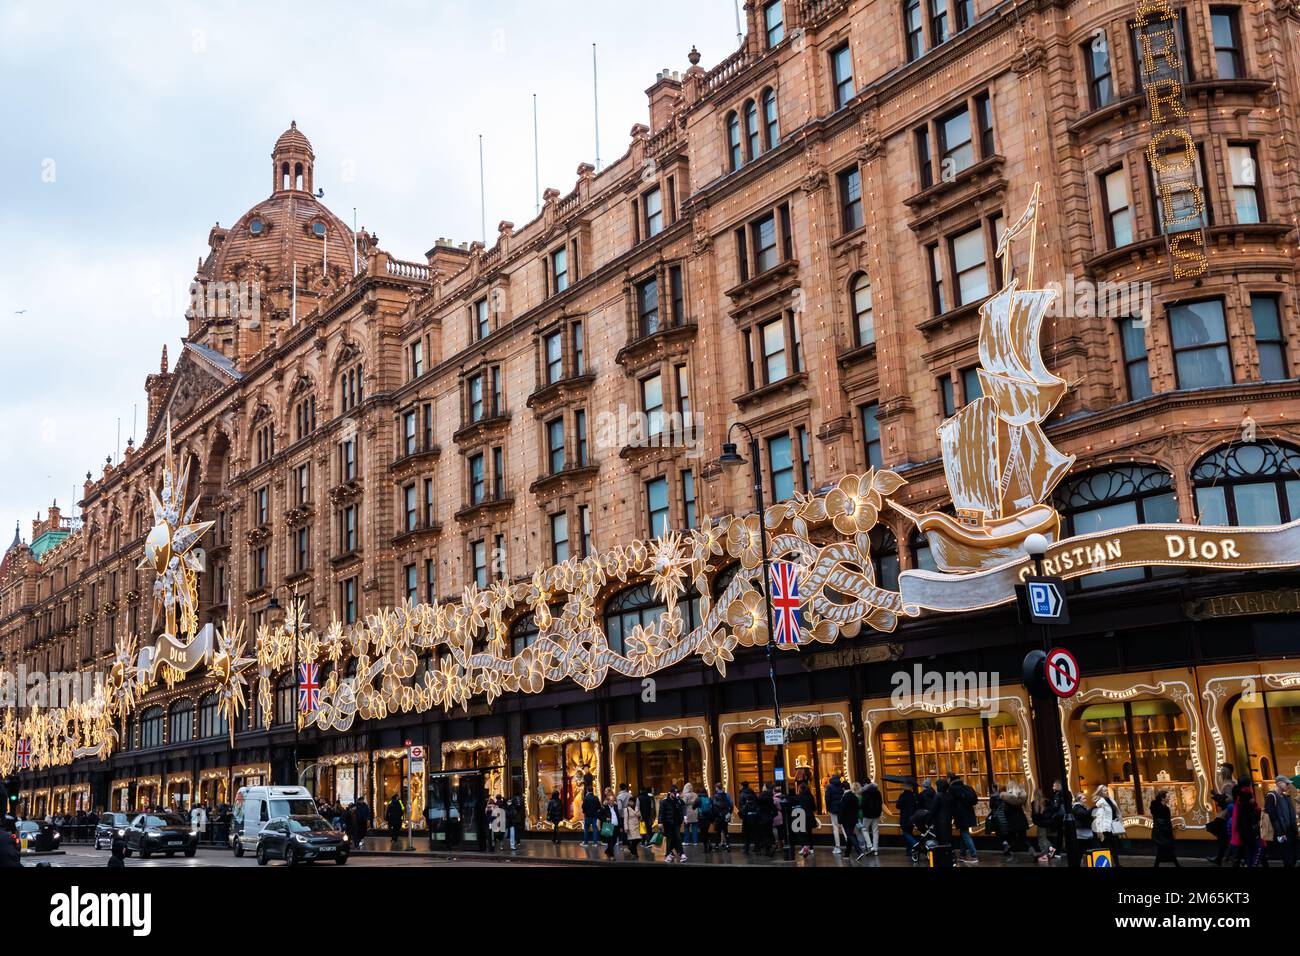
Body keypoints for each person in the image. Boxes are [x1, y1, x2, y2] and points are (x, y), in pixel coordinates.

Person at [1264, 776, 1296, 868]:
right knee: (1287, 857)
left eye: (1288, 783)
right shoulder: (1271, 796)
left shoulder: (1286, 797)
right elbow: (1272, 817)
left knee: (1293, 857)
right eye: (1286, 783)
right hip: (1281, 832)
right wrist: (1280, 833)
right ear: (1278, 783)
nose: (1288, 785)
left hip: (1291, 831)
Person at [1206, 763, 1235, 865]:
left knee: (1223, 836)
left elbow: (1230, 799)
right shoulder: (1230, 783)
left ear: (1225, 772)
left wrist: (1218, 797)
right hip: (1226, 813)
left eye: (1222, 771)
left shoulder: (1228, 784)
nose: (1220, 773)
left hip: (1225, 814)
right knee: (1225, 837)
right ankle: (1222, 857)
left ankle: (1224, 857)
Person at [948, 774, 979, 863]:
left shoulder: (952, 789)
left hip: (960, 815)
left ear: (950, 780)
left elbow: (950, 803)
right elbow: (975, 800)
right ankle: (962, 854)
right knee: (963, 834)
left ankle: (974, 855)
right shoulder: (967, 787)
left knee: (965, 834)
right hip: (969, 814)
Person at [1232, 782, 1263, 868]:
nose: (1253, 799)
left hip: (1246, 833)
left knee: (1249, 851)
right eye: (1251, 797)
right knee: (1254, 850)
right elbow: (1252, 819)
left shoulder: (1240, 806)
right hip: (1250, 833)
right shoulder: (1247, 807)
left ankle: (1249, 864)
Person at [1091, 784, 1123, 865]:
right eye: (1105, 790)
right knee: (1108, 847)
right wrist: (1099, 830)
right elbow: (1098, 816)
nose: (1107, 791)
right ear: (1101, 793)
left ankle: (1117, 864)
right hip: (1106, 828)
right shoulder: (1100, 802)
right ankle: (1108, 863)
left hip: (1113, 826)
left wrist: (1119, 820)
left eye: (1107, 790)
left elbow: (1116, 812)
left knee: (1115, 847)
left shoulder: (1111, 799)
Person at [1000, 782, 1031, 859]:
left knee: (1011, 839)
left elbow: (1006, 811)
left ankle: (1010, 855)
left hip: (1012, 822)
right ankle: (1033, 853)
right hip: (1022, 820)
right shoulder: (1020, 798)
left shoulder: (1006, 798)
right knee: (1024, 839)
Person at [1150, 790, 1178, 867]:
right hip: (1159, 833)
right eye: (1168, 797)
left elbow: (1168, 821)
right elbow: (1157, 816)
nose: (1169, 798)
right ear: (1163, 798)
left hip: (1165, 832)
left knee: (1164, 850)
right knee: (1164, 849)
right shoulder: (1155, 805)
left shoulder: (1166, 808)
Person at [659, 785, 686, 863]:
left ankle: (681, 854)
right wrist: (660, 822)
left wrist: (678, 799)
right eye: (674, 792)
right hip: (668, 823)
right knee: (670, 839)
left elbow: (683, 805)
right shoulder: (664, 801)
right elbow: (661, 812)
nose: (675, 794)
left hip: (676, 823)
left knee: (678, 838)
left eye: (676, 792)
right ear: (670, 793)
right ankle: (668, 854)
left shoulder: (677, 800)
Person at [838, 782, 863, 860]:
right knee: (849, 836)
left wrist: (840, 821)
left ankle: (859, 851)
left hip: (846, 820)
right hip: (853, 819)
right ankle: (847, 854)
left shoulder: (844, 797)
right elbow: (857, 807)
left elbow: (842, 810)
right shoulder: (854, 796)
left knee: (850, 835)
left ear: (843, 788)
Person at [792, 782, 817, 857]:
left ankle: (804, 847)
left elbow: (796, 807)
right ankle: (811, 848)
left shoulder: (798, 797)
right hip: (810, 816)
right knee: (810, 833)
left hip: (801, 816)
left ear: (800, 789)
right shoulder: (811, 796)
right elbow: (814, 807)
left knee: (801, 833)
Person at [896, 781, 919, 856]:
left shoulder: (903, 796)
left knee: (906, 833)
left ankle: (915, 844)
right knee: (909, 833)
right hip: (912, 818)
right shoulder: (913, 795)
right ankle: (909, 851)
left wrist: (898, 799)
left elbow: (898, 806)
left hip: (905, 818)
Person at [824, 773, 845, 854]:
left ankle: (837, 846)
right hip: (841, 809)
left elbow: (827, 799)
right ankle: (848, 843)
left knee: (835, 827)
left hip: (833, 809)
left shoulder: (829, 787)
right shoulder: (841, 786)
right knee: (843, 826)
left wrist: (828, 808)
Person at [597, 791, 620, 859]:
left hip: (616, 826)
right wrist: (605, 818)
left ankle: (608, 851)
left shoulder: (615, 807)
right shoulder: (604, 807)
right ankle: (611, 855)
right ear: (608, 801)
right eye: (611, 800)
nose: (612, 802)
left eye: (613, 800)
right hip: (609, 826)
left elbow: (618, 816)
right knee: (610, 841)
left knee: (615, 840)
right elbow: (598, 815)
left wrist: (620, 826)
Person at [711, 782, 733, 852]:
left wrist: (714, 816)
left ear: (717, 788)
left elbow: (713, 807)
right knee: (725, 831)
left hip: (718, 817)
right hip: (725, 816)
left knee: (718, 831)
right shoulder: (727, 795)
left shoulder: (715, 796)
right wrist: (729, 813)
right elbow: (731, 805)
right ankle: (728, 845)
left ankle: (717, 846)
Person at [738, 781, 758, 854]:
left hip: (746, 817)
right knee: (755, 833)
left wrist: (742, 815)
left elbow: (741, 806)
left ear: (742, 786)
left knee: (747, 834)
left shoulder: (742, 794)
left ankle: (747, 849)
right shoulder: (752, 793)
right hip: (754, 817)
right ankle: (757, 847)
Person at [623, 792, 643, 859]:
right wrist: (626, 827)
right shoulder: (626, 809)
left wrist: (639, 816)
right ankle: (635, 854)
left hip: (637, 826)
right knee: (634, 841)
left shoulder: (637, 808)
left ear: (634, 802)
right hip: (630, 827)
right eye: (629, 801)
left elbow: (640, 818)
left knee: (637, 840)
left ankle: (631, 849)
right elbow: (625, 819)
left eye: (631, 802)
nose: (630, 803)